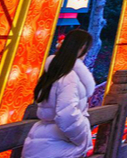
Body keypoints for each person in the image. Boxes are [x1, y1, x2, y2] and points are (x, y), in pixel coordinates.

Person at [22, 29, 95, 158]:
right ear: (82, 48)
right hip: (60, 143)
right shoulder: (69, 76)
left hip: (43, 139)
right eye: (87, 49)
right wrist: (83, 137)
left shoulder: (53, 72)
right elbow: (67, 114)